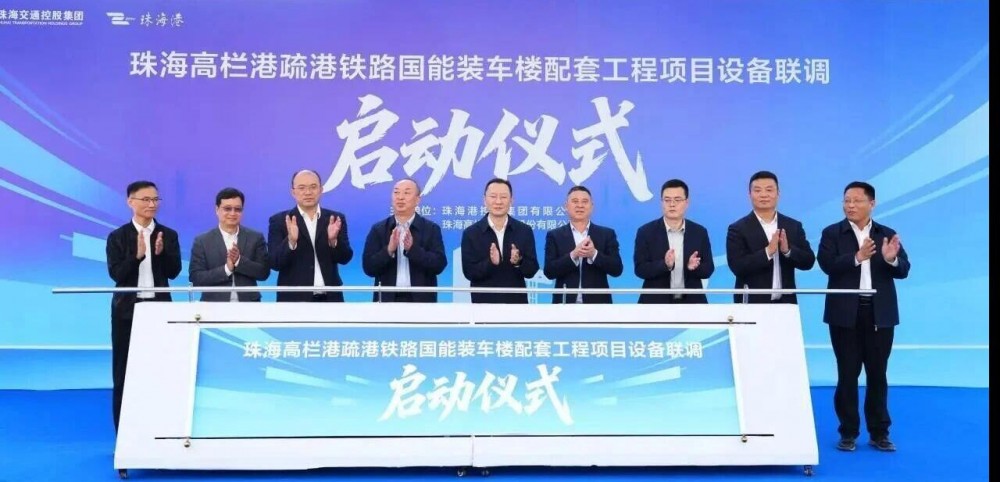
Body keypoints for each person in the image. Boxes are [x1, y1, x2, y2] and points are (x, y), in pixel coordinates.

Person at [818, 181, 910, 453]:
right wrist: (856, 257)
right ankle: (848, 432)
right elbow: (826, 265)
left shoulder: (886, 234)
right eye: (847, 200)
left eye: (857, 200)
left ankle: (879, 433)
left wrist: (891, 259)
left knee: (877, 374)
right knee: (847, 373)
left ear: (872, 203)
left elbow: (904, 269)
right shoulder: (832, 233)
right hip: (844, 313)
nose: (850, 205)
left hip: (879, 313)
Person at [105, 180, 181, 432]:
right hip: (127, 311)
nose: (152, 204)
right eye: (146, 199)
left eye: (155, 199)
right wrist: (137, 256)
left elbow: (174, 271)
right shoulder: (118, 236)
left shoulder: (168, 235)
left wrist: (161, 253)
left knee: (161, 369)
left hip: (159, 309)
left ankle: (159, 430)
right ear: (131, 202)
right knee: (124, 371)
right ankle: (124, 433)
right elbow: (117, 274)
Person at [726, 171, 815, 303]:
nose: (763, 195)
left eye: (769, 190)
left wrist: (788, 251)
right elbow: (737, 266)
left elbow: (809, 262)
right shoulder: (738, 229)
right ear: (749, 194)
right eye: (757, 190)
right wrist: (767, 252)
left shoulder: (793, 226)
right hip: (751, 303)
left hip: (786, 303)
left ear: (778, 193)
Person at [268, 169, 353, 302]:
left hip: (330, 299)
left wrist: (333, 241)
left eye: (313, 187)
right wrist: (291, 241)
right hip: (293, 300)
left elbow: (345, 258)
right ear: (293, 192)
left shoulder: (335, 218)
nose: (308, 192)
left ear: (321, 190)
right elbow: (274, 263)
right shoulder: (279, 221)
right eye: (302, 188)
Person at [362, 179, 447, 302]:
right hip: (387, 300)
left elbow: (439, 265)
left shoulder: (431, 229)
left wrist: (413, 250)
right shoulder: (379, 229)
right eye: (396, 192)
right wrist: (389, 250)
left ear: (417, 200)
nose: (400, 197)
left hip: (421, 301)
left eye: (406, 193)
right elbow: (368, 268)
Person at [634, 179, 714, 304]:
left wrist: (694, 267)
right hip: (655, 303)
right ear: (661, 202)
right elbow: (640, 269)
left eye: (677, 200)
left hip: (692, 303)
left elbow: (709, 269)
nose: (672, 204)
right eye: (667, 200)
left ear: (686, 202)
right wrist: (665, 265)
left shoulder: (699, 232)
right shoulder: (646, 232)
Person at [461, 178, 539, 303]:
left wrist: (519, 261)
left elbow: (532, 270)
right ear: (484, 200)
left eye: (503, 197)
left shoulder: (524, 231)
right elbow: (469, 272)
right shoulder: (471, 233)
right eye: (493, 196)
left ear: (511, 200)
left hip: (516, 303)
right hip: (483, 304)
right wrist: (491, 262)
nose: (498, 201)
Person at [543, 185, 623, 303]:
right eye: (575, 201)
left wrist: (594, 254)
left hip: (598, 304)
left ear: (592, 206)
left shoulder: (606, 234)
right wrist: (573, 255)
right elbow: (549, 272)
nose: (580, 205)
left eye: (585, 202)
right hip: (565, 304)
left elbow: (617, 269)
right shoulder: (555, 235)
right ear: (566, 206)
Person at [189, 187, 269, 302]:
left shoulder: (256, 237)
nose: (232, 213)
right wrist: (226, 269)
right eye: (227, 208)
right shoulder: (202, 241)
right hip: (213, 306)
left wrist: (239, 261)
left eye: (237, 209)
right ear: (217, 210)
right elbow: (196, 278)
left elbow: (264, 273)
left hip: (249, 306)